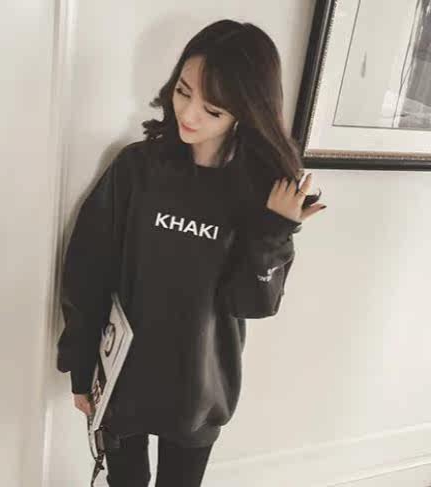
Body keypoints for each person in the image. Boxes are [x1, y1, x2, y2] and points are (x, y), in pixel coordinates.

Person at [56, 18, 325, 487]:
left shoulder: (260, 194)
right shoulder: (137, 169)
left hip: (200, 389)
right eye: (183, 91)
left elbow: (253, 303)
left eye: (212, 109)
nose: (190, 114)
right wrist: (81, 366)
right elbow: (88, 270)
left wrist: (274, 233)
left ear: (245, 112)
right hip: (123, 378)